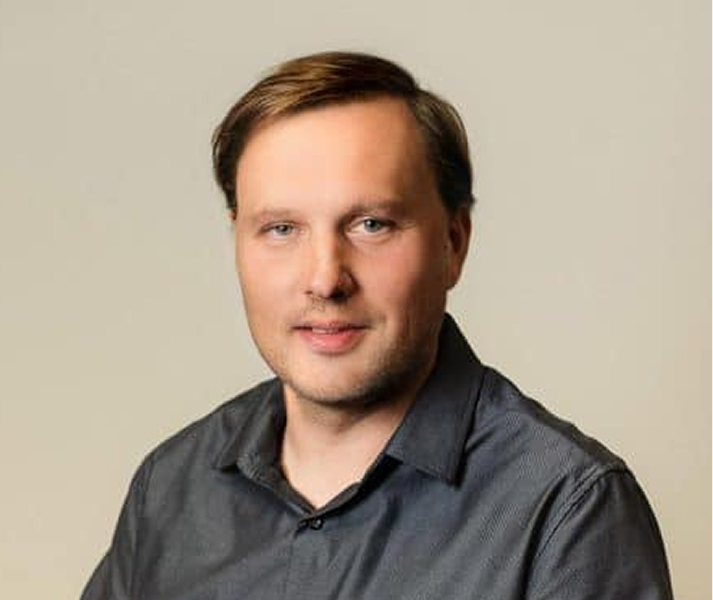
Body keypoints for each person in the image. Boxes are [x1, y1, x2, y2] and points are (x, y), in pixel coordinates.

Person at [81, 51, 673, 600]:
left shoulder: (567, 509)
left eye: (371, 225)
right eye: (282, 229)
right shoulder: (170, 489)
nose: (325, 279)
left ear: (454, 243)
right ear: (237, 241)